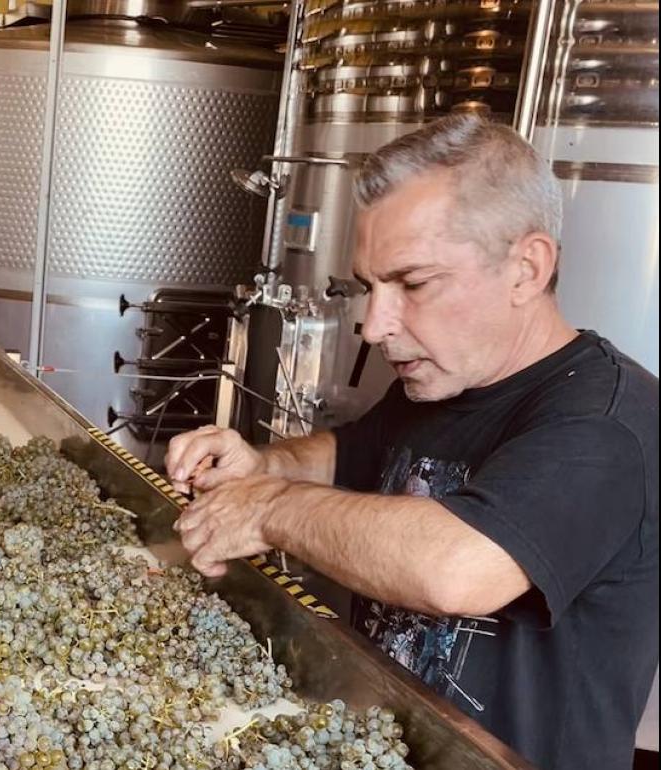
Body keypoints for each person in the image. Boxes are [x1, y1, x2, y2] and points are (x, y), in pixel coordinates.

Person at [166, 115, 658, 770]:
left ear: (526, 269)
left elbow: (457, 570)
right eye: (371, 287)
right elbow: (347, 454)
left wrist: (265, 507)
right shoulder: (446, 377)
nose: (373, 326)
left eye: (414, 284)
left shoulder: (607, 424)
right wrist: (264, 464)